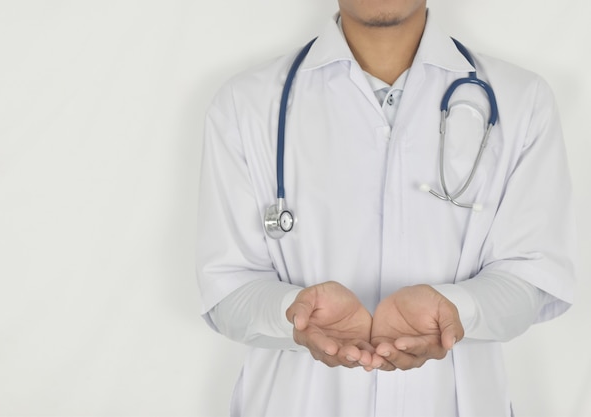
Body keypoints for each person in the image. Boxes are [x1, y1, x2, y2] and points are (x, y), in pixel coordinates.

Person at [196, 1, 576, 416]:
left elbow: (531, 277)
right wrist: (293, 312)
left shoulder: (522, 101)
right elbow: (227, 288)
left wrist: (456, 308)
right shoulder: (245, 104)